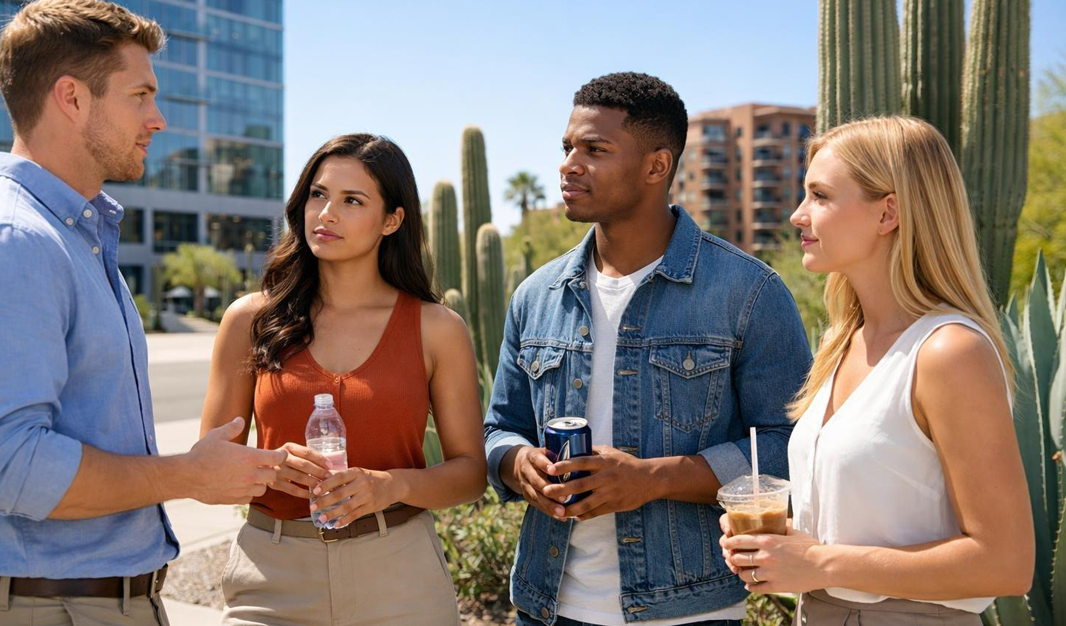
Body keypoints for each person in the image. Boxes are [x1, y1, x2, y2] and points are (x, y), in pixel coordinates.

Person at [0, 1, 288, 624]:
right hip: (45, 610)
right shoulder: (10, 239)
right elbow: (7, 466)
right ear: (72, 98)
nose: (159, 118)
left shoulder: (73, 235)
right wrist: (188, 476)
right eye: (140, 95)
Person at [483, 72, 812, 626]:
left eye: (595, 149)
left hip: (687, 611)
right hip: (546, 606)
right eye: (567, 148)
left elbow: (790, 449)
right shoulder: (535, 296)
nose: (568, 164)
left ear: (657, 167)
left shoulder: (748, 293)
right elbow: (499, 429)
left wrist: (650, 479)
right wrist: (520, 465)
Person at [719, 115, 1035, 625]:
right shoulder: (839, 343)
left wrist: (819, 562)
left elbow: (1005, 564)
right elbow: (868, 520)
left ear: (888, 212)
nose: (799, 215)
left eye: (820, 196)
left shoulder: (948, 352)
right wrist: (785, 549)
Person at [200, 133, 487, 626]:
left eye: (352, 200)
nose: (326, 213)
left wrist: (389, 486)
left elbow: (470, 475)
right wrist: (268, 468)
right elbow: (207, 474)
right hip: (272, 574)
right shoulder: (249, 320)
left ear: (392, 220)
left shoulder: (437, 328)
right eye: (318, 194)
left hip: (400, 575)